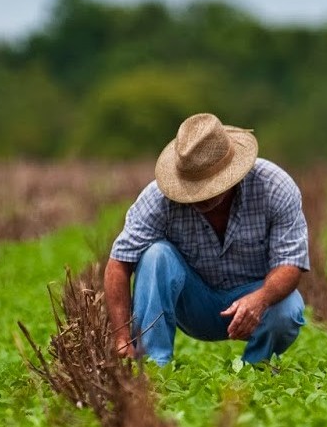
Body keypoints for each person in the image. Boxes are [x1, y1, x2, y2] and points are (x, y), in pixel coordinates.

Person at [104, 113, 310, 366]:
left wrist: (260, 299)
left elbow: (290, 263)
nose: (201, 197)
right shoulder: (158, 199)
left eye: (210, 185)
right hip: (193, 305)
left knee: (287, 309)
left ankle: (256, 368)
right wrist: (122, 338)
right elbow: (118, 263)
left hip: (254, 298)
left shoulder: (275, 187)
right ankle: (152, 366)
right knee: (156, 255)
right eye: (194, 186)